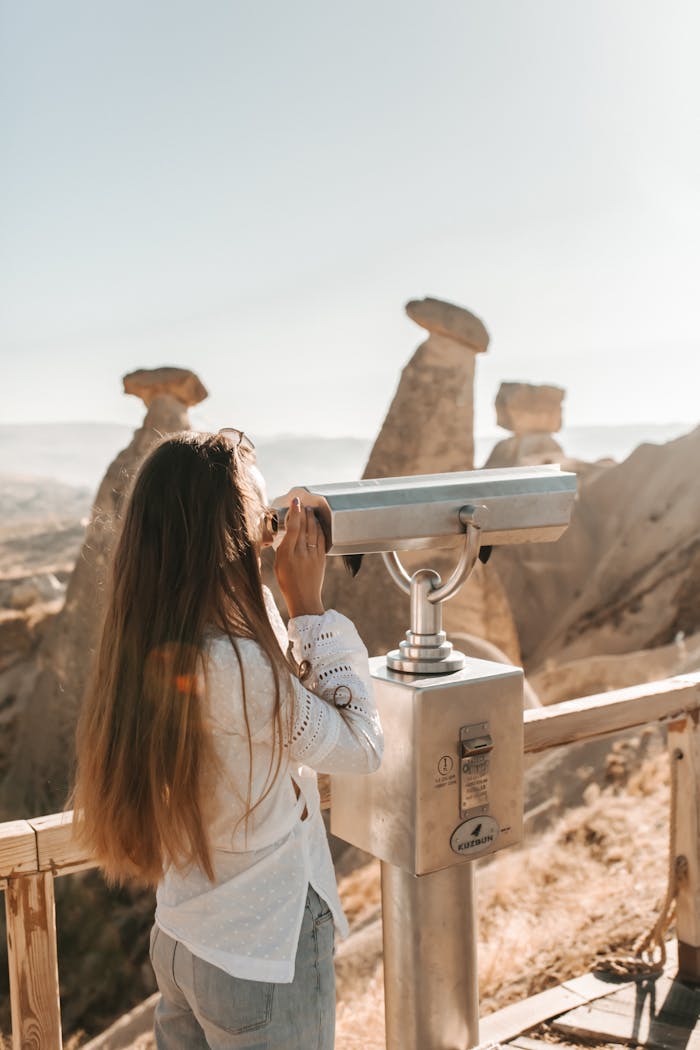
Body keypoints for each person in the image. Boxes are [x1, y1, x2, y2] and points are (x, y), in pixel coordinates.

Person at [72, 428, 383, 1050]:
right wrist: (309, 607)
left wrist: (268, 593)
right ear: (228, 535)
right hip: (261, 954)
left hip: (184, 938)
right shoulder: (241, 670)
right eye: (259, 518)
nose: (269, 535)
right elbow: (360, 746)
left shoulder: (153, 640)